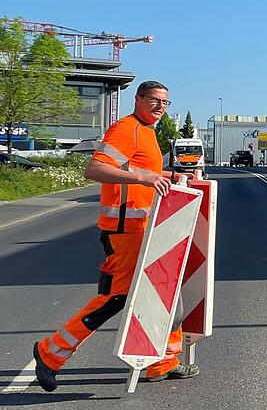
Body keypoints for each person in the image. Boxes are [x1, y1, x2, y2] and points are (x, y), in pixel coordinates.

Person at [32, 81, 199, 392]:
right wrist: (143, 176)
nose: (160, 107)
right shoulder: (127, 128)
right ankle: (50, 353)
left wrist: (173, 176)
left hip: (143, 228)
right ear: (137, 100)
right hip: (124, 230)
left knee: (164, 289)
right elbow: (94, 169)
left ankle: (162, 362)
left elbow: (143, 171)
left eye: (165, 102)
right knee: (118, 297)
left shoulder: (147, 132)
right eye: (153, 100)